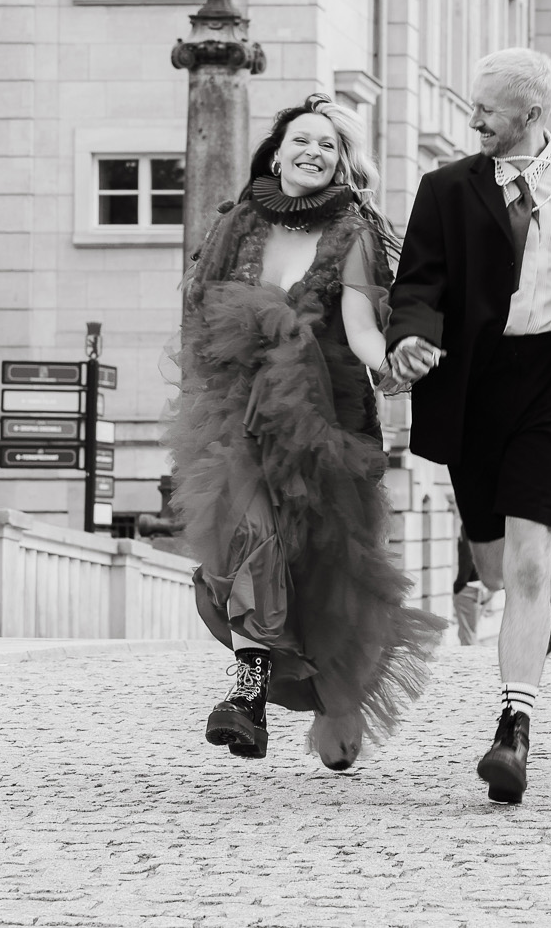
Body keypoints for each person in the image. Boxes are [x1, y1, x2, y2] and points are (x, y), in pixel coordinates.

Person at [386, 48, 551, 803]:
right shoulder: (446, 189)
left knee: (533, 563)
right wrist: (410, 336)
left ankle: (514, 730)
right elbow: (421, 281)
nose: (473, 120)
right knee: (499, 569)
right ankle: (536, 624)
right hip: (473, 384)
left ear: (531, 116)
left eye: (488, 111)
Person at [166, 94, 445, 770]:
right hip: (238, 417)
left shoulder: (353, 230)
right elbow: (201, 312)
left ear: (342, 161)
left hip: (327, 422)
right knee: (251, 540)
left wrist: (398, 362)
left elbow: (360, 329)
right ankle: (250, 695)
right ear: (277, 149)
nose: (313, 152)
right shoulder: (239, 223)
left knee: (326, 573)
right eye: (302, 139)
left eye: (328, 144)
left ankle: (337, 701)